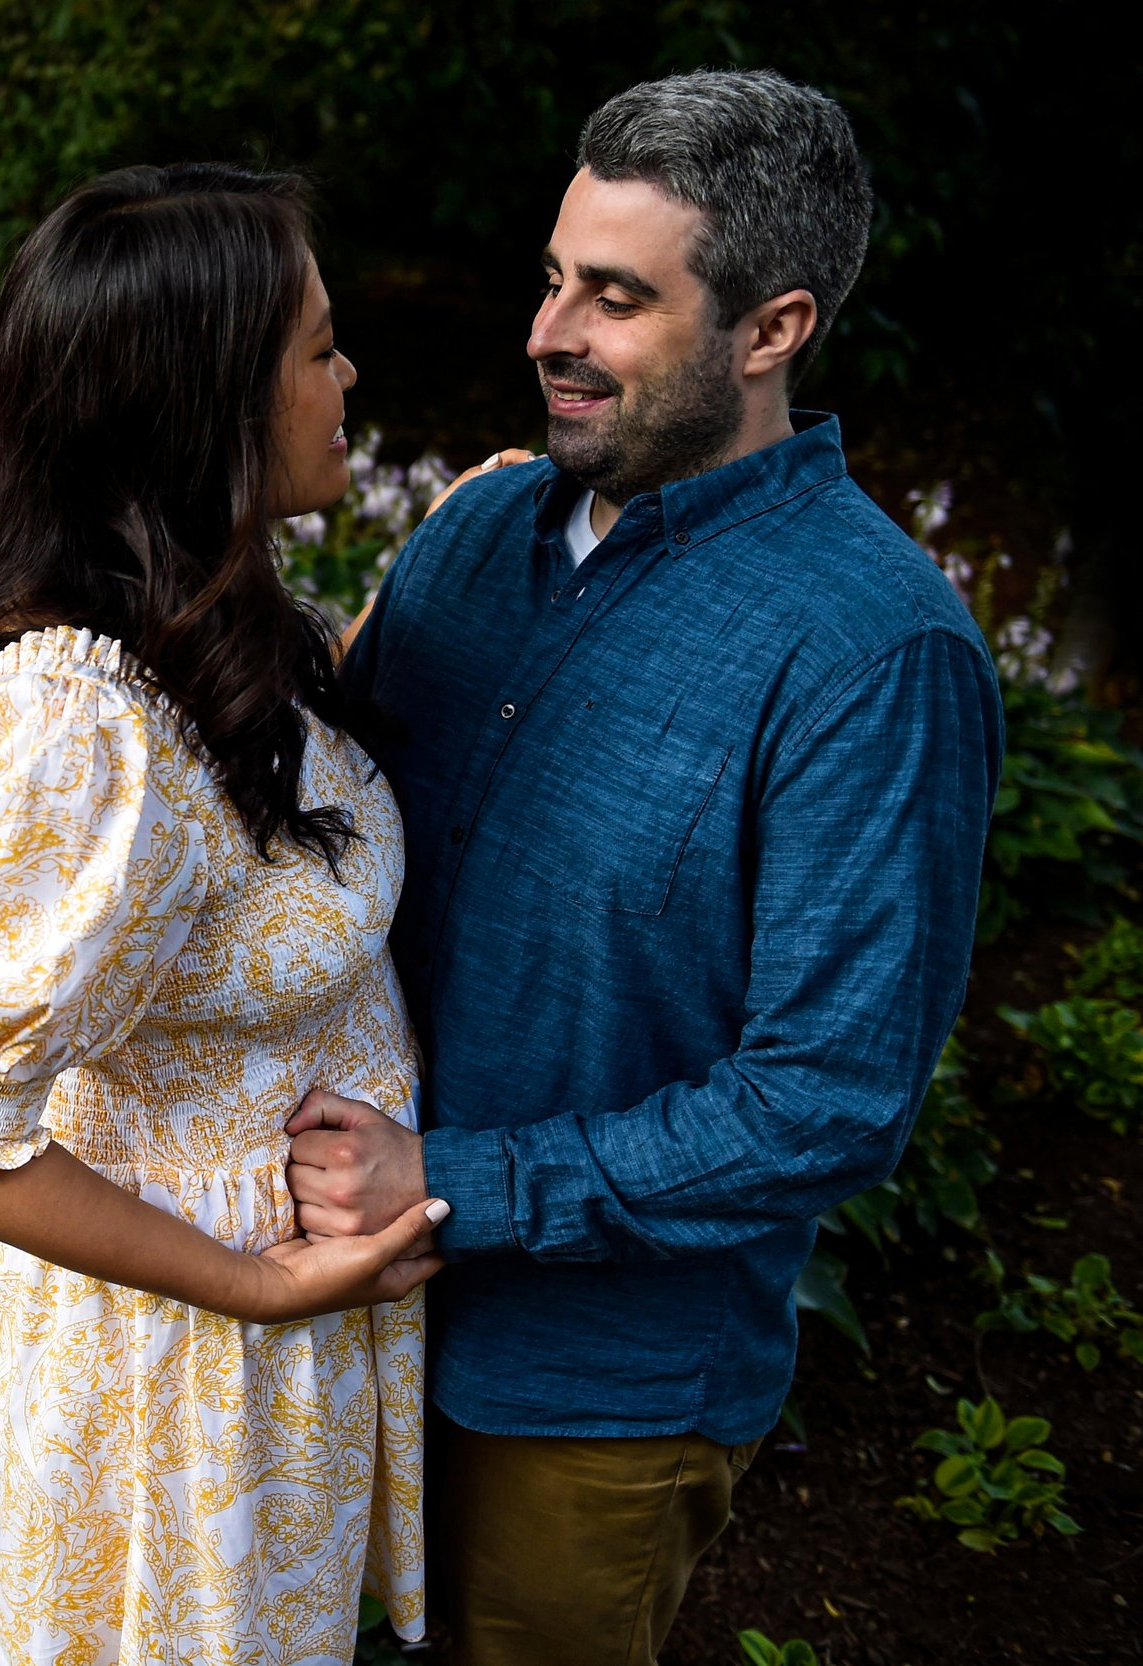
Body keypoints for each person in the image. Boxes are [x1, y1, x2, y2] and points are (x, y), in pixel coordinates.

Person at [286, 70, 1004, 1665]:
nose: (550, 331)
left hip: (584, 1397)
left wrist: (457, 1182)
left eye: (616, 298)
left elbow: (828, 1094)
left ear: (772, 328)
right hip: (324, 1319)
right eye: (555, 277)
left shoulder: (876, 653)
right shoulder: (479, 535)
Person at [0, 164, 449, 1665]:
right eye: (316, 348)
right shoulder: (82, 728)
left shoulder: (208, 639)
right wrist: (259, 1277)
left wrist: (450, 551)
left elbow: (231, 855)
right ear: (206, 408)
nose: (349, 375)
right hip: (179, 1384)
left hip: (266, 1366)